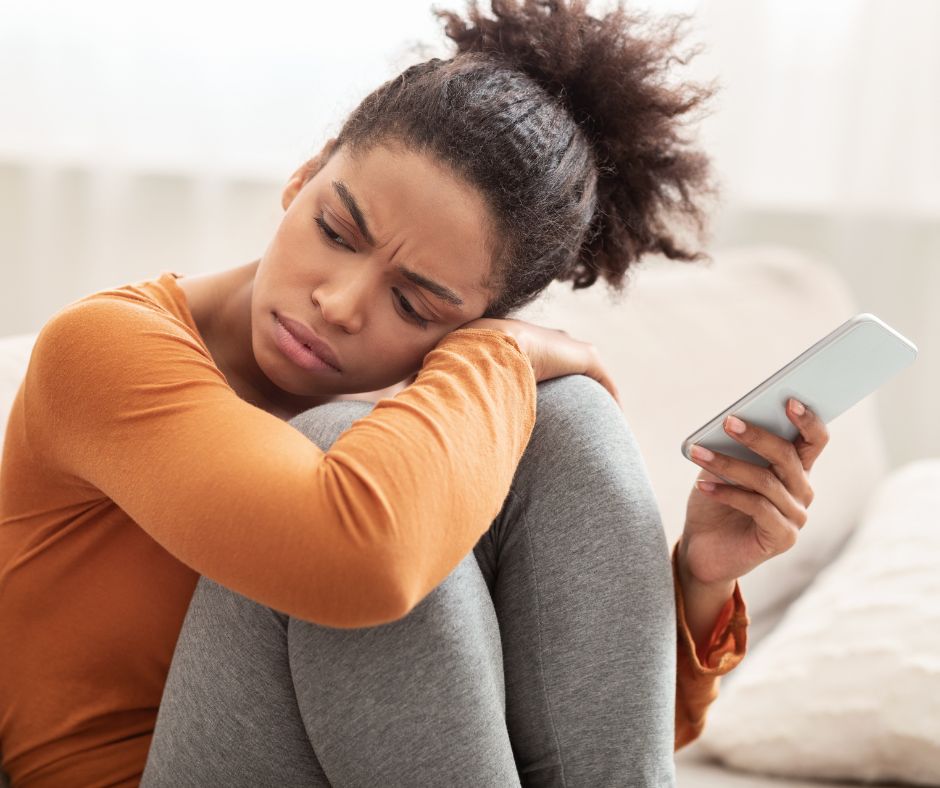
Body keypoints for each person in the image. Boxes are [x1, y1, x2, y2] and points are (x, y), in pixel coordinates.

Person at [0, 0, 830, 785]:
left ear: (472, 315)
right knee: (353, 465)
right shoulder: (103, 348)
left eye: (414, 305)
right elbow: (356, 562)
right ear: (305, 173)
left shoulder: (429, 406)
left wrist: (699, 580)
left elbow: (576, 738)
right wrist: (500, 353)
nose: (339, 304)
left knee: (565, 414)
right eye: (335, 231)